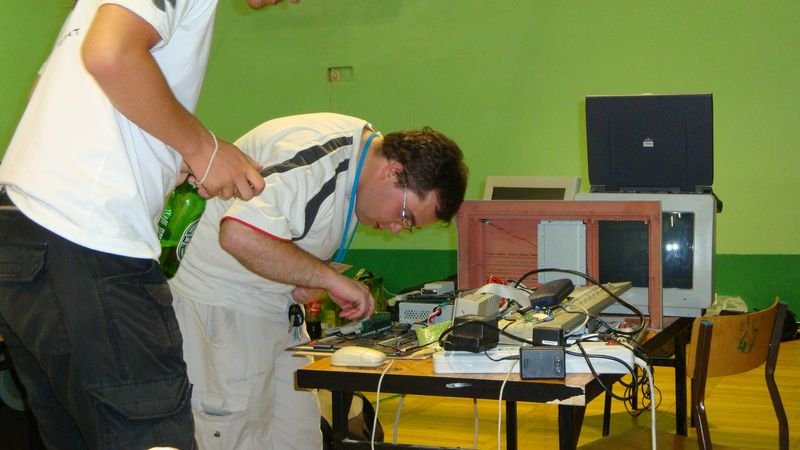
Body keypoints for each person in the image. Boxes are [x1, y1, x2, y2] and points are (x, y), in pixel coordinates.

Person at [0, 1, 298, 449]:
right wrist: (203, 148)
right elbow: (110, 54)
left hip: (25, 236)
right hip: (88, 243)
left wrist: (159, 159)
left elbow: (48, 99)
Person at [168, 112, 469, 449]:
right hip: (221, 304)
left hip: (272, 310)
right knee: (237, 434)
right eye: (404, 216)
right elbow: (238, 234)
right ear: (393, 171)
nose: (397, 229)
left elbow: (287, 235)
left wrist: (312, 278)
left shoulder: (358, 169)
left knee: (300, 436)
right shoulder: (319, 157)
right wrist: (329, 278)